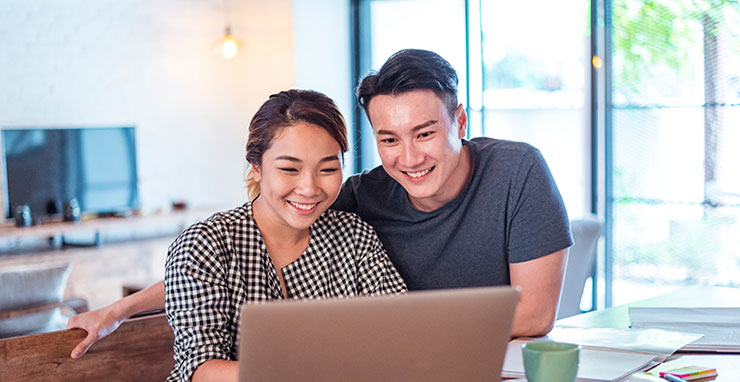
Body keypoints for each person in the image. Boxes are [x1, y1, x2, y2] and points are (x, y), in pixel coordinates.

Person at [68, 49, 571, 359]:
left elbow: (533, 314)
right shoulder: (355, 197)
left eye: (425, 133)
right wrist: (122, 308)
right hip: (404, 369)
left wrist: (405, 335)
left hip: (493, 367)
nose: (410, 157)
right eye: (389, 139)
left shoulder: (517, 171)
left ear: (459, 122)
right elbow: (233, 249)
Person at [154, 90, 407, 382]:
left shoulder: (354, 236)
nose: (310, 188)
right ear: (256, 167)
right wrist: (326, 374)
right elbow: (202, 378)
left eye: (328, 169)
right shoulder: (207, 244)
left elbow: (399, 337)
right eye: (289, 169)